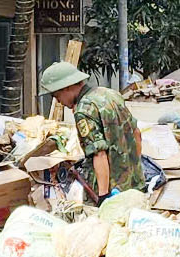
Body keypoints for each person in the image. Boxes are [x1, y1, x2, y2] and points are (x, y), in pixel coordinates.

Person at [41, 61, 142, 198]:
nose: (59, 102)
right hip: (134, 183)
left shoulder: (84, 110)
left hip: (113, 188)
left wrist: (103, 195)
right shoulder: (110, 94)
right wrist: (136, 168)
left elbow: (99, 154)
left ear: (67, 88)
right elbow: (136, 133)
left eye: (57, 96)